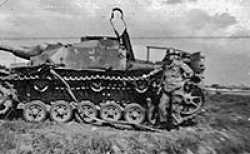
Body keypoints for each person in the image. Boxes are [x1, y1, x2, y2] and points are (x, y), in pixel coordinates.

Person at [157, 54, 194, 129]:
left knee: (175, 107)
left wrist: (183, 80)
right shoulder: (165, 66)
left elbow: (190, 72)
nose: (167, 62)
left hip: (177, 88)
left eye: (169, 60)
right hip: (167, 88)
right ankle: (163, 123)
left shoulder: (179, 64)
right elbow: (162, 76)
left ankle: (175, 124)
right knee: (161, 105)